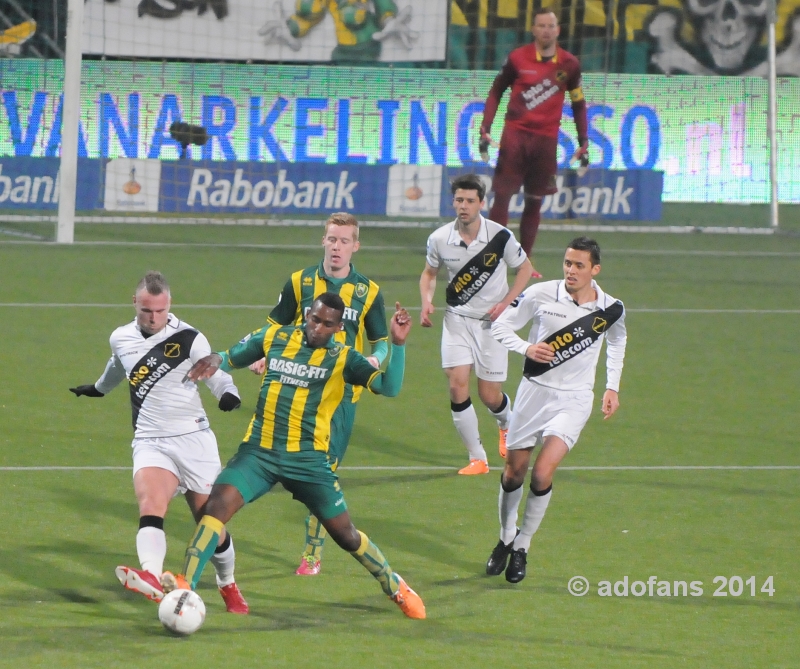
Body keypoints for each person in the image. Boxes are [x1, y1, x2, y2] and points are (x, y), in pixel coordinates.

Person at [160, 294, 426, 620]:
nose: (318, 327)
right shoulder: (277, 337)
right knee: (215, 508)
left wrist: (397, 345)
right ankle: (185, 584)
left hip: (309, 462)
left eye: (327, 324)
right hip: (260, 452)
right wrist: (216, 358)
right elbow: (234, 355)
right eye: (314, 319)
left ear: (338, 327)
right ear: (307, 316)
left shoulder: (344, 358)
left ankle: (394, 585)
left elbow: (389, 387)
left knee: (346, 535)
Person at [69, 271, 249, 613]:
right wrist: (98, 389)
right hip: (151, 439)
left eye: (160, 311)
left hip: (193, 440)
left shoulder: (188, 337)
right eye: (146, 311)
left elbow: (215, 372)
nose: (153, 318)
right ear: (135, 303)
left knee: (209, 522)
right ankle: (151, 576)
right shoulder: (120, 337)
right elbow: (117, 368)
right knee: (151, 503)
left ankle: (228, 584)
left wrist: (228, 394)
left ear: (169, 306)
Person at [248, 212, 389, 577]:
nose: (337, 246)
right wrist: (262, 351)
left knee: (325, 473)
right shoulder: (300, 281)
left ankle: (312, 552)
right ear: (323, 241)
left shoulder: (368, 292)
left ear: (355, 246)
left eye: (344, 241)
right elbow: (273, 325)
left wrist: (376, 358)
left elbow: (383, 342)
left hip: (341, 398)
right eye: (331, 239)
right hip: (297, 387)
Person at [485, 237, 627, 583]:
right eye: (567, 263)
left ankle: (523, 547)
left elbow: (618, 339)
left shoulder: (610, 308)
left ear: (595, 269)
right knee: (513, 471)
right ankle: (505, 537)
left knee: (542, 472)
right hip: (534, 393)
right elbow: (501, 325)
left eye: (579, 265)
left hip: (574, 400)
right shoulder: (541, 294)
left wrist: (612, 386)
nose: (571, 271)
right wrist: (526, 348)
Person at [420, 173, 533, 475]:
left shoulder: (500, 237)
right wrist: (427, 301)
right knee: (457, 385)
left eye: (470, 201)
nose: (464, 206)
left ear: (481, 203)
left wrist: (507, 302)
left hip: (492, 325)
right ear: (453, 202)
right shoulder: (439, 238)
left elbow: (525, 269)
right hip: (457, 320)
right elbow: (429, 273)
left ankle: (506, 421)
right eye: (459, 200)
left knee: (489, 395)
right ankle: (477, 458)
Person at [479, 8, 590, 268]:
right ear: (533, 29)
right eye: (541, 26)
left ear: (558, 30)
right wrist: (486, 126)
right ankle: (493, 258)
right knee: (503, 196)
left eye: (550, 26)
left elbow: (579, 103)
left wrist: (583, 139)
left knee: (534, 200)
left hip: (545, 142)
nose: (546, 31)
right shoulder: (518, 58)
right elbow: (496, 91)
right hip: (515, 137)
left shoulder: (570, 64)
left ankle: (524, 260)